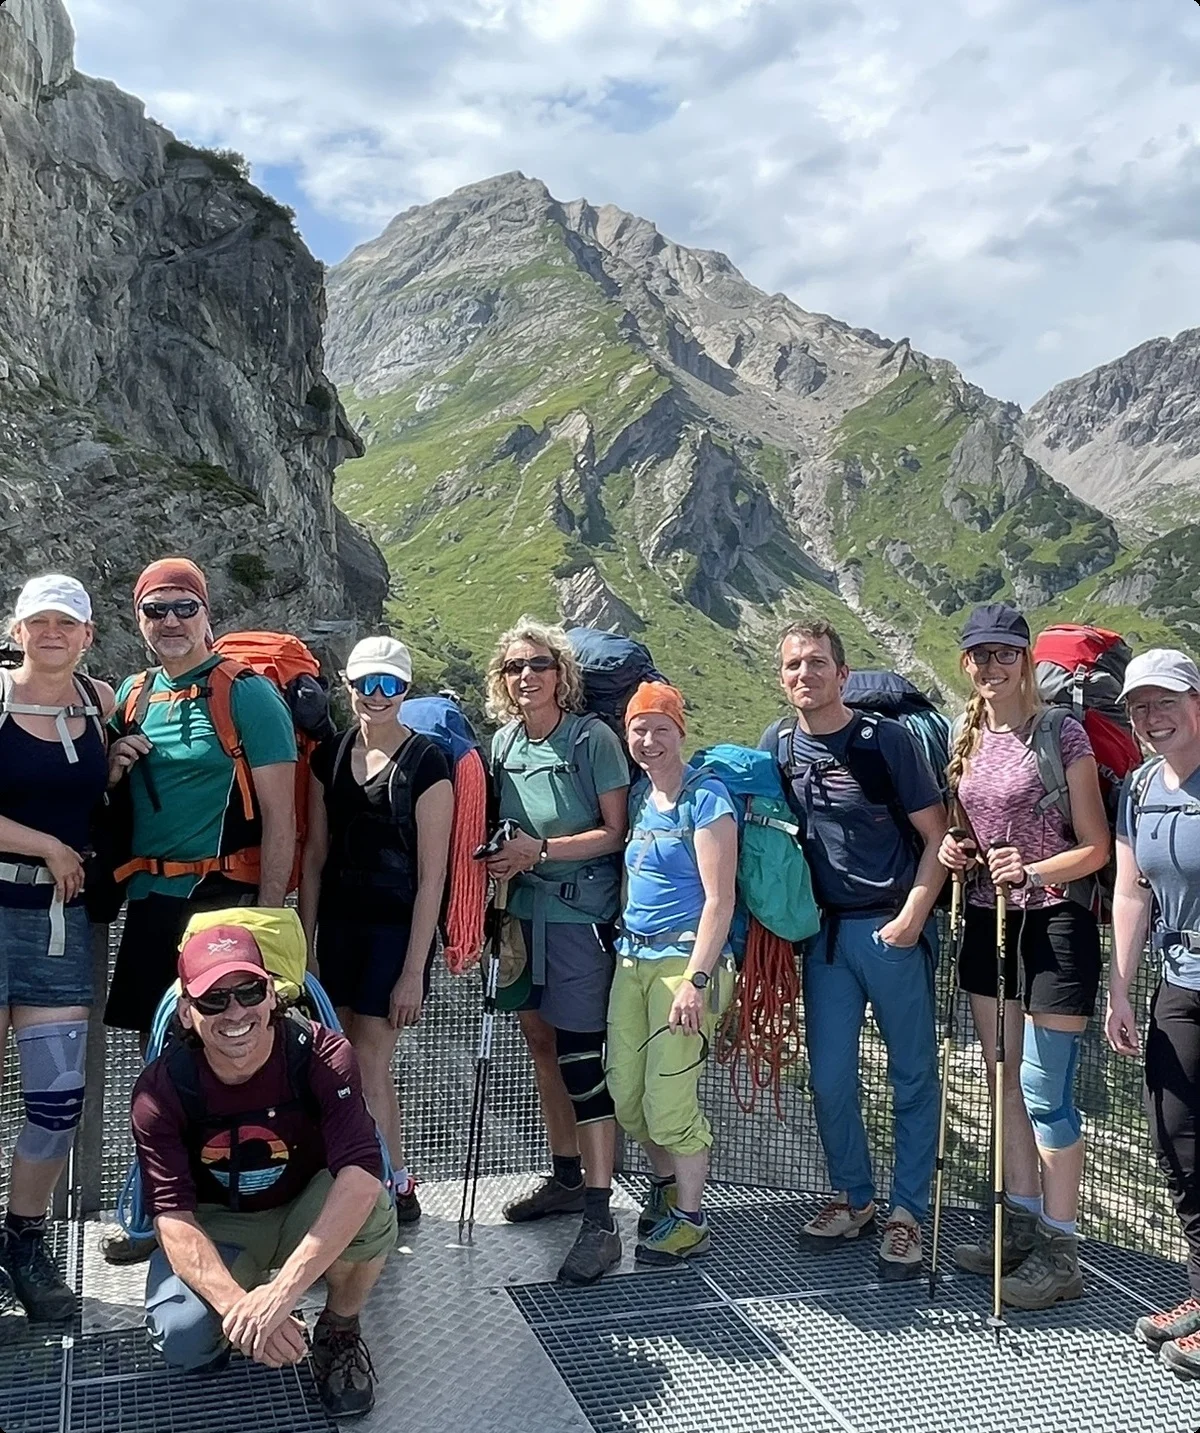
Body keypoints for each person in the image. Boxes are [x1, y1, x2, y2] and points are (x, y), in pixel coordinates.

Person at [101, 557, 297, 1263]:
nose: (171, 621)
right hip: (153, 901)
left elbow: (282, 817)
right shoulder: (133, 694)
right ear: (139, 620)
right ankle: (162, 1209)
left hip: (223, 904)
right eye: (156, 610)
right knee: (160, 1063)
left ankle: (234, 1206)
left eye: (184, 606)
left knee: (229, 1057)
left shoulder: (245, 694)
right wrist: (115, 764)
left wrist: (267, 920)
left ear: (207, 612)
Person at [132, 922, 394, 1418]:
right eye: (214, 1000)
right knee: (182, 1339)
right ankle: (243, 1316)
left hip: (303, 1207)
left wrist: (281, 1295)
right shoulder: (160, 1090)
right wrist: (243, 1311)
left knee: (375, 1208)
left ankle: (339, 1329)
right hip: (219, 1223)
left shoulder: (323, 1054)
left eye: (249, 991)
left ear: (272, 993)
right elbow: (172, 1218)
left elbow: (362, 1176)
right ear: (187, 1012)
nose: (235, 1012)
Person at [763, 618, 946, 1280]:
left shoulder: (885, 740)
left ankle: (907, 1213)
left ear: (842, 674)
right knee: (830, 1075)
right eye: (793, 665)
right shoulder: (778, 744)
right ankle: (853, 1196)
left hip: (892, 927)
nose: (804, 674)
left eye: (817, 663)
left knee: (912, 1076)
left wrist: (912, 917)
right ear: (782, 678)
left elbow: (938, 835)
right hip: (827, 936)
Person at [940, 603, 1109, 1309]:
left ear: (1026, 659)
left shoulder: (1061, 732)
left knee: (1044, 1092)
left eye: (1005, 653)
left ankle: (1060, 1250)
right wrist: (957, 849)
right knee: (1003, 1078)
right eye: (980, 654)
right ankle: (1018, 1227)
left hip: (1056, 924)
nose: (992, 666)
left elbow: (1095, 847)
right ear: (967, 662)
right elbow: (968, 827)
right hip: (989, 919)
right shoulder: (966, 735)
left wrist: (1033, 870)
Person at [484, 617, 629, 1285]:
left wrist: (537, 851)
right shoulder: (504, 743)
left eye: (538, 664)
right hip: (523, 916)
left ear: (561, 673)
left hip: (579, 918)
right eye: (515, 666)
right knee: (542, 1044)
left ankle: (601, 1219)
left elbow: (614, 831)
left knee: (581, 1059)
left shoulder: (592, 739)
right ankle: (566, 1177)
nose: (527, 676)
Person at [300, 635, 453, 1225]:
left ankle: (391, 1184)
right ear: (349, 687)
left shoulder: (427, 762)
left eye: (389, 684)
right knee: (336, 1061)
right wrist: (306, 945)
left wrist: (414, 972)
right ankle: (363, 1181)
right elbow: (315, 855)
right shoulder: (330, 756)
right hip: (339, 929)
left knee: (367, 1062)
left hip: (394, 935)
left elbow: (433, 877)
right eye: (366, 683)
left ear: (405, 690)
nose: (377, 695)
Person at [0, 576, 113, 1325]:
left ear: (86, 635)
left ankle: (23, 1241)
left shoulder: (99, 703)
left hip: (56, 925)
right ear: (16, 629)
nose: (51, 633)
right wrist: (47, 844)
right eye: (38, 621)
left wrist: (120, 755)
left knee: (57, 1097)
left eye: (65, 623)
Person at [606, 682, 736, 1264]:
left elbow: (720, 900)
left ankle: (691, 1219)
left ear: (681, 733)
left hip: (683, 967)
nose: (649, 740)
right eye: (639, 729)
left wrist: (695, 982)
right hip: (631, 961)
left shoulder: (707, 799)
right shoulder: (640, 797)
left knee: (669, 1101)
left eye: (662, 729)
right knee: (626, 1096)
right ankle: (664, 1191)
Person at [1107, 649, 1200, 1376]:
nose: (1151, 716)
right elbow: (1132, 890)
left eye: (1165, 700)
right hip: (1180, 980)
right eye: (1139, 706)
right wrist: (1119, 987)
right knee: (1175, 1137)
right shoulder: (1140, 786)